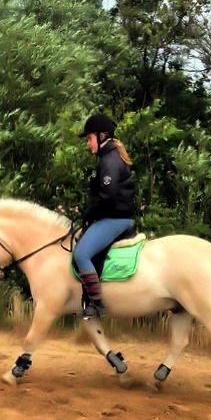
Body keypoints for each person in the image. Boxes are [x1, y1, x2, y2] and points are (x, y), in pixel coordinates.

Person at [74, 113, 136, 319]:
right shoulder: (108, 158)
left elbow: (107, 197)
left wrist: (89, 213)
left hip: (115, 218)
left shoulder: (110, 160)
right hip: (112, 216)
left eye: (89, 138)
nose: (87, 144)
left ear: (102, 137)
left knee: (81, 254)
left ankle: (96, 303)